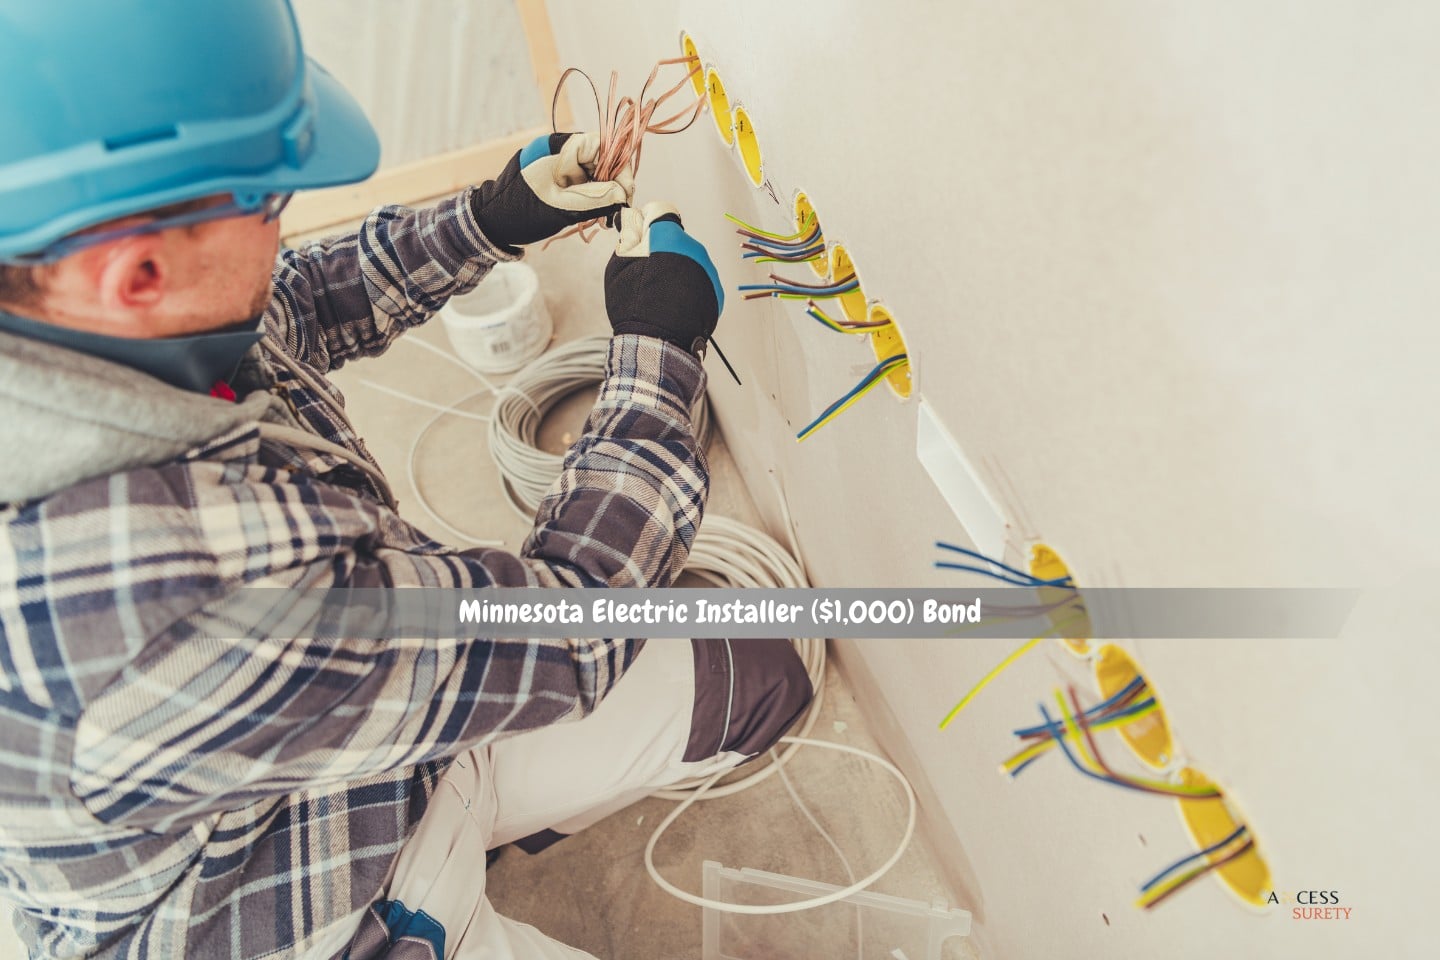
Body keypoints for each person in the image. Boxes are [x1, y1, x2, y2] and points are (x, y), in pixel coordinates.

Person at [0, 2, 813, 957]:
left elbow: (287, 303)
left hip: (351, 727)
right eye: (267, 204)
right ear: (138, 274)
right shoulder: (164, 599)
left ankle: (481, 807)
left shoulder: (77, 325)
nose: (282, 222)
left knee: (762, 677)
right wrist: (658, 351)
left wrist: (491, 218)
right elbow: (570, 623)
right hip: (300, 909)